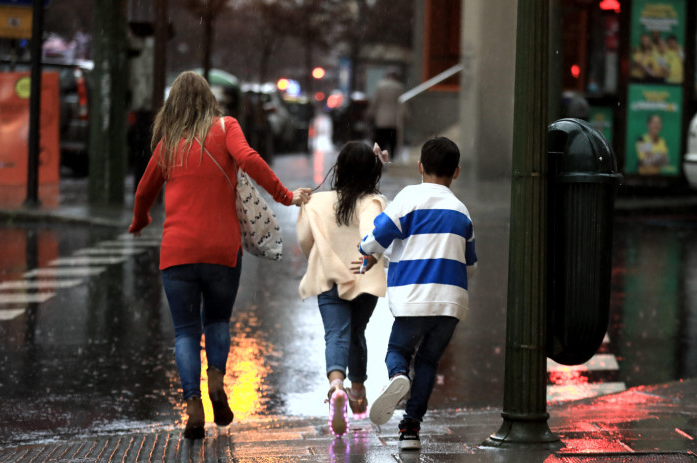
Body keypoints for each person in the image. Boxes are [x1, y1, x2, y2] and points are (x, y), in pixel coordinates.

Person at [128, 71, 312, 439]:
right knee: (217, 323)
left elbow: (144, 191)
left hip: (177, 252)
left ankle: (193, 404)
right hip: (221, 250)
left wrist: (140, 220)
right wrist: (285, 195)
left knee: (184, 332)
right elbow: (250, 160)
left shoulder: (169, 144)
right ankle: (215, 381)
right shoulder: (226, 128)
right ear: (209, 99)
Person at [358, 137, 477, 451]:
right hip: (450, 303)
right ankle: (410, 428)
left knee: (397, 351)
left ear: (420, 167)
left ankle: (398, 376)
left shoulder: (409, 198)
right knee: (428, 362)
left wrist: (365, 250)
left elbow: (381, 233)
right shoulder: (461, 212)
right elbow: (471, 264)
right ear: (457, 172)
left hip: (413, 298)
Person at [296, 141, 389, 437]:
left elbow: (305, 241)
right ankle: (358, 393)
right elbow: (373, 233)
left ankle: (337, 385)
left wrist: (321, 254)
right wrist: (366, 259)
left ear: (339, 168)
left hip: (330, 278)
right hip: (363, 279)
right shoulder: (373, 201)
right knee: (356, 333)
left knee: (335, 334)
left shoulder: (318, 202)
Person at [367, 69, 405, 160]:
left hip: (381, 119)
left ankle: (380, 160)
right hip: (394, 119)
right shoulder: (399, 87)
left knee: (381, 142)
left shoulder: (380, 86)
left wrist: (370, 113)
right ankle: (390, 159)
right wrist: (405, 116)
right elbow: (402, 104)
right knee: (392, 142)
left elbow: (375, 102)